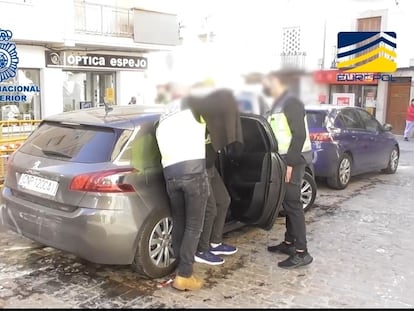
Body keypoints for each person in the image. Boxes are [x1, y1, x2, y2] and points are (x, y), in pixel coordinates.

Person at [155, 82, 209, 291]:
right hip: (193, 173)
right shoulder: (194, 107)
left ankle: (180, 267)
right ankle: (185, 275)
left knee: (180, 222)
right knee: (194, 226)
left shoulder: (164, 116)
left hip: (171, 176)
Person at [263, 69, 313, 269]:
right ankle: (289, 243)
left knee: (293, 203)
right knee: (287, 202)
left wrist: (290, 164)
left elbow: (299, 135)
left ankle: (302, 252)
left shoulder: (292, 102)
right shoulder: (277, 104)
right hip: (282, 159)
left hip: (293, 159)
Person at [192, 89, 244, 266]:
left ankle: (215, 242)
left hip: (210, 166)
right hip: (199, 168)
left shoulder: (216, 120)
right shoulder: (196, 117)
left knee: (224, 200)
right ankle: (201, 249)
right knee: (210, 208)